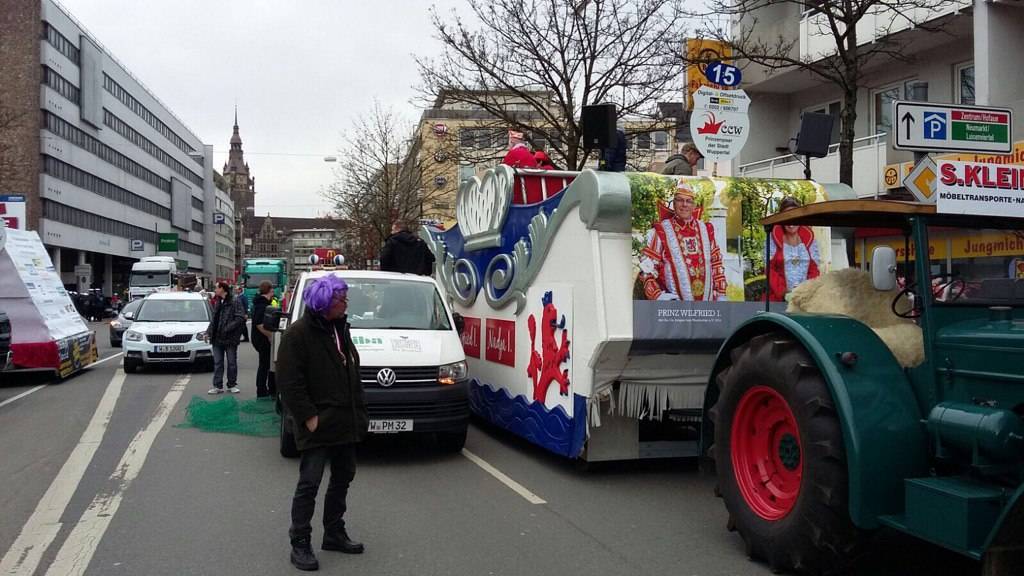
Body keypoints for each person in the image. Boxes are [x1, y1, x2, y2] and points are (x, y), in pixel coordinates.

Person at [277, 275, 368, 571]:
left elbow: (349, 370)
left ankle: (334, 531)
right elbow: (290, 383)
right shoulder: (297, 335)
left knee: (343, 477)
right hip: (318, 422)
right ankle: (300, 541)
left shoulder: (340, 328)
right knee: (309, 483)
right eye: (341, 299)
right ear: (325, 302)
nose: (346, 304)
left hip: (345, 420)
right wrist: (309, 418)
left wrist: (359, 413)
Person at [638, 180, 726, 301]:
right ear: (674, 203)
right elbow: (646, 268)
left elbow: (716, 263)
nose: (684, 204)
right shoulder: (661, 231)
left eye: (689, 201)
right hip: (675, 309)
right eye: (680, 200)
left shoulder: (706, 230)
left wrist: (721, 294)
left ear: (694, 205)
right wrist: (657, 295)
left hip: (707, 308)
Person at [768, 197, 821, 302]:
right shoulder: (773, 239)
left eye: (795, 216)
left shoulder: (809, 240)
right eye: (787, 217)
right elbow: (769, 270)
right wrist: (783, 292)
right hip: (778, 300)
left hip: (805, 300)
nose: (791, 222)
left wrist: (807, 291)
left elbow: (814, 270)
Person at [206, 281, 246, 395]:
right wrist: (208, 332)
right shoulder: (218, 301)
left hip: (230, 338)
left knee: (231, 362)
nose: (215, 290)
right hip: (217, 338)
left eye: (216, 288)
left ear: (223, 289)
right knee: (218, 362)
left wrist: (227, 328)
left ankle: (232, 384)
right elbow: (214, 319)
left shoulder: (235, 301)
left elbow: (240, 317)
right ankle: (217, 386)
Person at [251, 281, 275, 399]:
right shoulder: (262, 305)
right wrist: (270, 336)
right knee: (265, 364)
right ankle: (262, 389)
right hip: (262, 339)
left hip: (258, 338)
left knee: (265, 364)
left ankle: (264, 388)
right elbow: (259, 324)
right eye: (272, 290)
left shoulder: (260, 303)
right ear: (269, 290)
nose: (273, 292)